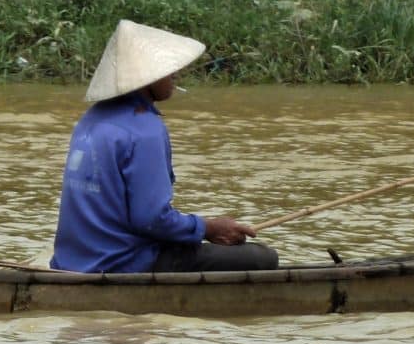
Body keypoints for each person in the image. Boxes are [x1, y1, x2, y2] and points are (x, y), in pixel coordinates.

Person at [50, 19, 280, 274]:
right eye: (166, 69)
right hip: (125, 263)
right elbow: (151, 220)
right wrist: (209, 229)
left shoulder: (90, 119)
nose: (175, 74)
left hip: (73, 262)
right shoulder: (144, 129)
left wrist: (199, 229)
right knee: (262, 258)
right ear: (146, 78)